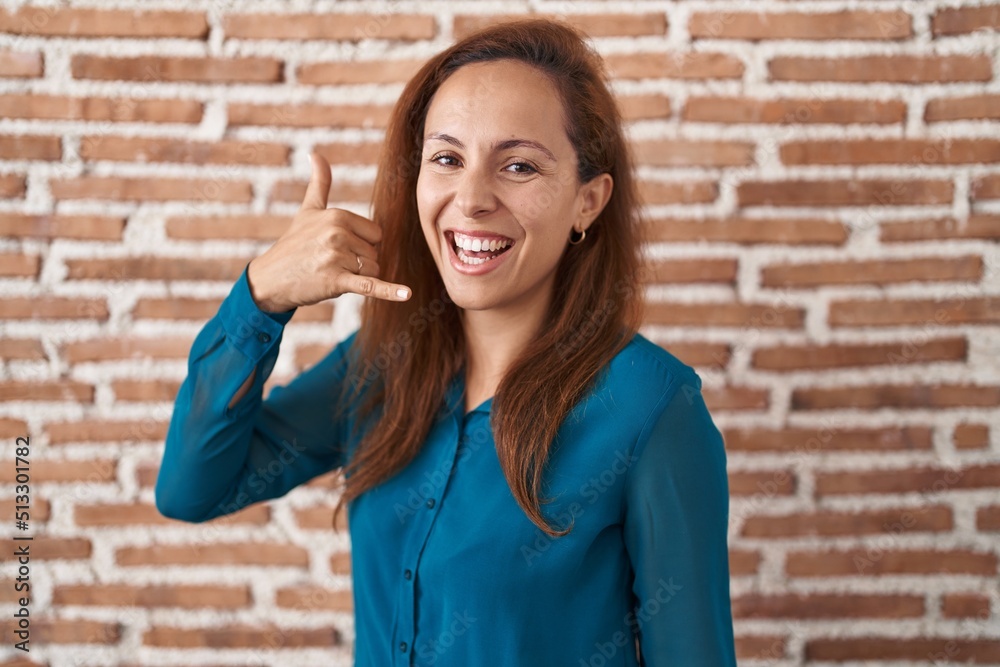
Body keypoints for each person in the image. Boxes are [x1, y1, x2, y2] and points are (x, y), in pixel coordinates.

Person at [156, 18, 737, 667]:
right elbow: (192, 488)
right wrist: (261, 295)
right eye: (447, 158)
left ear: (588, 201)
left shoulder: (653, 409)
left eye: (518, 165)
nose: (471, 198)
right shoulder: (379, 367)